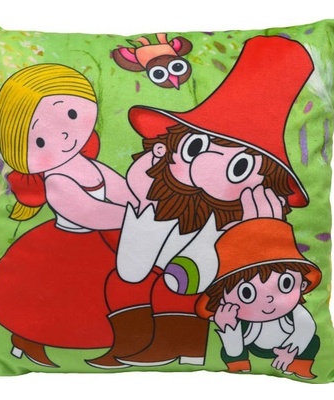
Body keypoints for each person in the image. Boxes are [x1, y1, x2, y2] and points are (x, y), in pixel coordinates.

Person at [86, 35, 315, 369]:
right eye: (194, 148)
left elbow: (211, 261)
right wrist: (146, 189)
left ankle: (182, 346)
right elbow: (136, 239)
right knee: (121, 282)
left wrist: (261, 230)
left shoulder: (244, 215)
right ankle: (128, 345)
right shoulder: (163, 189)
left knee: (175, 288)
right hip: (157, 252)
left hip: (210, 271)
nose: (200, 167)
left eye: (238, 167)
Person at [0, 64, 137, 368]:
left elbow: (120, 188)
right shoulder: (56, 179)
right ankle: (29, 342)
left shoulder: (88, 164)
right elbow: (86, 211)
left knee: (109, 295)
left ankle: (123, 344)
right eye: (40, 141)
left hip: (104, 240)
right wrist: (130, 216)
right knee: (57, 299)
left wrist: (140, 204)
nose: (65, 134)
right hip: (68, 245)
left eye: (72, 114)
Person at [197, 218, 322, 380]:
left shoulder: (296, 313)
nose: (268, 298)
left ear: (302, 284)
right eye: (246, 293)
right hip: (253, 347)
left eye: (286, 284)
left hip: (287, 345)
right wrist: (229, 327)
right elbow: (234, 348)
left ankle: (299, 366)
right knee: (229, 348)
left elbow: (306, 329)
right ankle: (239, 366)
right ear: (223, 297)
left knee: (312, 341)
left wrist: (291, 351)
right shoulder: (243, 322)